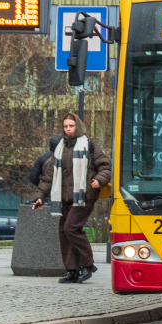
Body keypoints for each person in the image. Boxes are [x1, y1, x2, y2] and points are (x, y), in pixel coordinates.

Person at [32, 115, 111, 283]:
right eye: (65, 126)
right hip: (64, 198)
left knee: (71, 228)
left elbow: (105, 166)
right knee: (63, 232)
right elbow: (49, 176)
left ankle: (88, 265)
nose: (68, 129)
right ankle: (72, 270)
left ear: (78, 126)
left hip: (84, 195)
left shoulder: (90, 145)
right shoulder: (60, 149)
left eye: (71, 125)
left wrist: (99, 180)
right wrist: (39, 196)